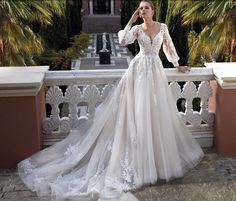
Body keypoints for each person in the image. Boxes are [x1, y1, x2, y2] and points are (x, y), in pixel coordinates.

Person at [18, 1, 204, 201]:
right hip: (138, 71)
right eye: (140, 8)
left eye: (146, 8)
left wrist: (178, 64)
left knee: (155, 112)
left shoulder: (163, 27)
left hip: (156, 71)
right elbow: (123, 41)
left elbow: (169, 47)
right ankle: (138, 161)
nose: (142, 11)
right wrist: (130, 21)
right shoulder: (136, 28)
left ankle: (155, 161)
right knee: (138, 113)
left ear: (153, 10)